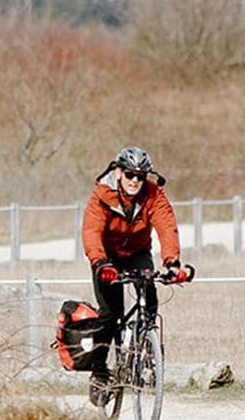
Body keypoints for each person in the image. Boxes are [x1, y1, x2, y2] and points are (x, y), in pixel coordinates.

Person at [82, 146, 194, 405]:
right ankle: (99, 372)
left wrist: (173, 262)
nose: (135, 181)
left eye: (141, 176)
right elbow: (91, 231)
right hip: (106, 257)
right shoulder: (102, 194)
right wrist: (99, 262)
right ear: (119, 172)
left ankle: (147, 350)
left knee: (150, 295)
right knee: (110, 314)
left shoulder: (153, 194)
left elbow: (166, 226)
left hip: (137, 252)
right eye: (130, 175)